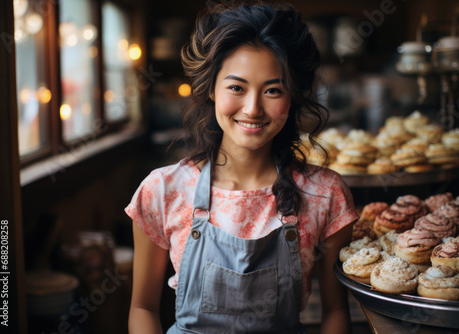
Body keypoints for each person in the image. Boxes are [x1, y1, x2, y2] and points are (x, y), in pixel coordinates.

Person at [126, 2, 359, 333]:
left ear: (291, 97)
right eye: (237, 87)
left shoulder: (325, 194)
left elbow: (336, 310)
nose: (253, 108)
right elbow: (142, 308)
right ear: (211, 88)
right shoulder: (163, 190)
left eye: (273, 90)